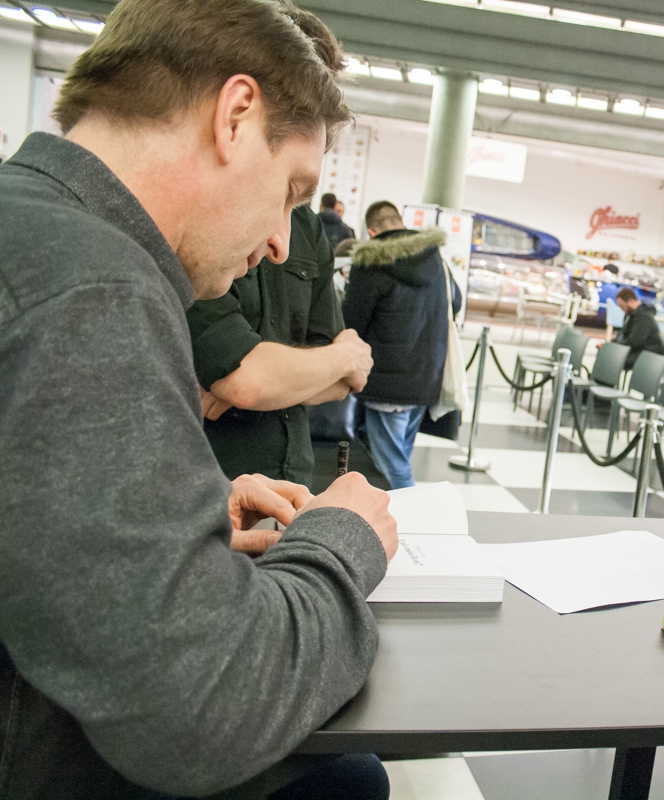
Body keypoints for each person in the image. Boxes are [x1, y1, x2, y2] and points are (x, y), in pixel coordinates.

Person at [0, 1, 401, 796]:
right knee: (350, 781)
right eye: (290, 189)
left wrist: (175, 505)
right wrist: (340, 543)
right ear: (236, 114)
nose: (285, 241)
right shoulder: (94, 287)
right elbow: (206, 710)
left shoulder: (31, 232)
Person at [187, 203, 372, 486]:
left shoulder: (306, 225)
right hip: (210, 478)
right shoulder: (208, 214)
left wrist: (264, 376)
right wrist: (346, 357)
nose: (280, 246)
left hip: (294, 475)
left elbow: (341, 384)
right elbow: (246, 383)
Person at [342, 200, 459, 489]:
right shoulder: (434, 256)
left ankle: (413, 518)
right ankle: (398, 520)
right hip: (426, 374)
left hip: (386, 379)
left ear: (371, 231)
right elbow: (454, 302)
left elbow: (351, 323)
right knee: (400, 455)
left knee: (391, 465)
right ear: (402, 223)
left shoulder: (370, 262)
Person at [614, 286, 664, 368]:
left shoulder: (644, 317)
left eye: (622, 306)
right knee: (608, 353)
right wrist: (612, 343)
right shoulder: (632, 315)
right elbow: (625, 334)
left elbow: (635, 341)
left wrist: (616, 347)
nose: (621, 309)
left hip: (647, 355)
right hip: (639, 351)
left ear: (630, 302)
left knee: (614, 359)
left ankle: (604, 380)